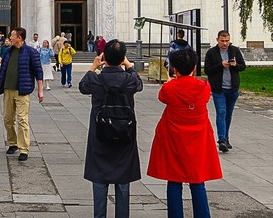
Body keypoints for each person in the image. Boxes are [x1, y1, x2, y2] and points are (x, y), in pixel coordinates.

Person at [148, 47, 222, 218]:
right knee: (197, 182)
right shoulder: (204, 87)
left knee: (174, 181)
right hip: (198, 139)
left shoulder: (169, 88)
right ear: (194, 67)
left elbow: (163, 97)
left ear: (174, 68)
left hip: (174, 139)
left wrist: (170, 81)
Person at [79, 40, 143, 218]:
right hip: (125, 134)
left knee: (99, 179)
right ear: (123, 58)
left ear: (104, 57)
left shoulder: (95, 79)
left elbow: (82, 87)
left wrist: (93, 66)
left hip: (100, 134)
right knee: (123, 182)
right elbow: (139, 84)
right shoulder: (130, 79)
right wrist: (129, 65)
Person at [0, 27, 44, 161]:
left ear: (19, 38)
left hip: (22, 90)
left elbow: (38, 72)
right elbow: (2, 71)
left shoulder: (31, 52)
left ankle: (24, 149)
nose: (10, 37)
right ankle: (13, 143)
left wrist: (40, 90)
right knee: (8, 119)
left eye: (13, 35)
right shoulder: (8, 52)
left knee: (22, 119)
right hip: (8, 90)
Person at [202, 30, 246, 152]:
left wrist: (235, 65)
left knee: (228, 114)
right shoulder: (212, 53)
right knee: (221, 112)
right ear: (217, 40)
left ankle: (226, 138)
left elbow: (243, 66)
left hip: (232, 88)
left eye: (227, 41)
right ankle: (221, 140)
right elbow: (207, 70)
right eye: (222, 41)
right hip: (218, 89)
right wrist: (221, 65)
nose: (225, 43)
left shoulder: (235, 51)